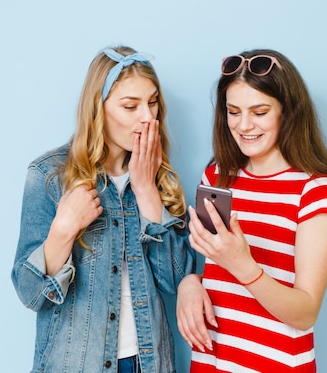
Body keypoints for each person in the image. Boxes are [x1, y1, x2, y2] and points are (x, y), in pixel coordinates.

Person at [11, 46, 195, 373]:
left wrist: (146, 189)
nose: (148, 117)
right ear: (99, 108)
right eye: (130, 106)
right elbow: (30, 294)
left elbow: (178, 280)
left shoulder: (159, 177)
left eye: (152, 103)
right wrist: (64, 230)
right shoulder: (49, 176)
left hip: (149, 364)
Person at [176, 49, 327, 372]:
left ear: (287, 112)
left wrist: (242, 264)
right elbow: (214, 271)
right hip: (211, 363)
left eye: (259, 112)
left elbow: (305, 312)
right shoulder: (217, 176)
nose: (243, 125)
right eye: (233, 111)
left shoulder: (316, 191)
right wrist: (190, 283)